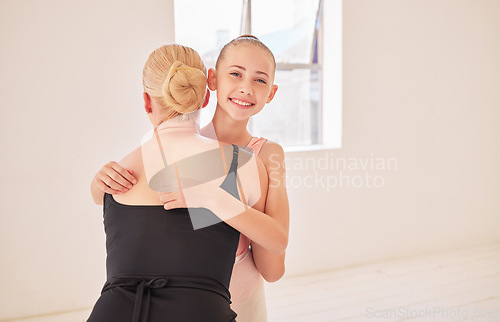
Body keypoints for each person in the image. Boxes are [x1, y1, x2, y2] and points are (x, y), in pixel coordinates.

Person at [91, 35, 290, 322]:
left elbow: (273, 268)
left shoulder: (264, 156)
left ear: (271, 92)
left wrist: (214, 201)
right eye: (235, 74)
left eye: (259, 80)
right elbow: (130, 212)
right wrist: (99, 183)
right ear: (211, 81)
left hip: (239, 300)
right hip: (182, 301)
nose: (246, 88)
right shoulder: (176, 147)